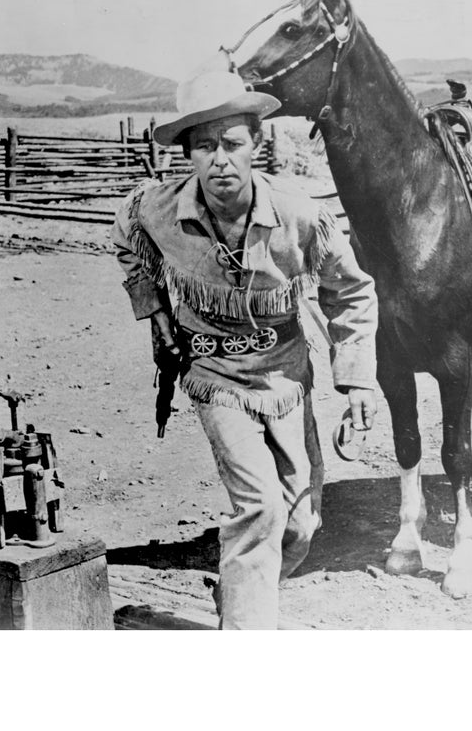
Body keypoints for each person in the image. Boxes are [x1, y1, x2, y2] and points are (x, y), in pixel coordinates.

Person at [111, 68, 378, 629]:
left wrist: (355, 382)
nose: (220, 160)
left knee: (301, 523)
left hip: (285, 376)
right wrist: (155, 309)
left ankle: (240, 591)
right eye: (205, 147)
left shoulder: (300, 216)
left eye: (233, 144)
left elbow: (351, 291)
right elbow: (127, 236)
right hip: (214, 373)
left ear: (257, 145)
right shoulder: (157, 209)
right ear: (189, 154)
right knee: (258, 507)